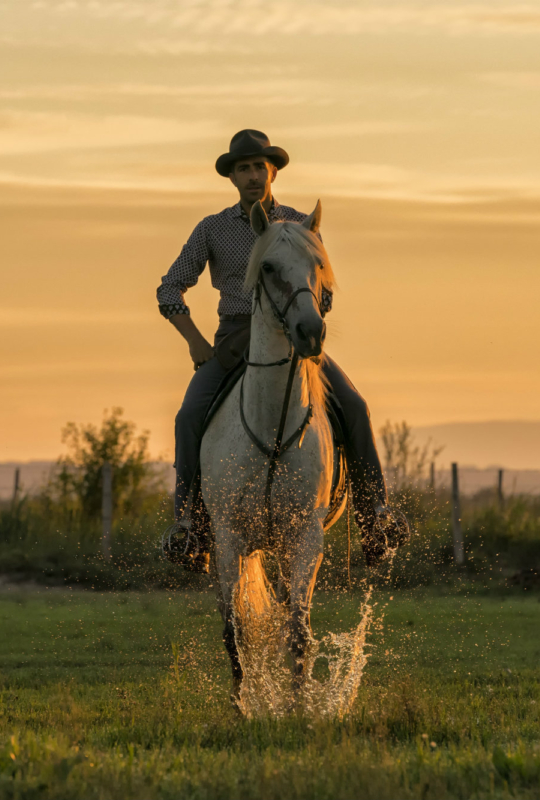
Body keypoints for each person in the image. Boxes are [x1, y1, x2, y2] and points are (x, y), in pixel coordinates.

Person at [157, 129, 409, 572]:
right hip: (235, 341)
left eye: (259, 167)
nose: (253, 176)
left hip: (295, 340)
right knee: (188, 416)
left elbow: (323, 289)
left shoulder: (300, 225)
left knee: (355, 406)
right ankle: (190, 526)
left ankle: (375, 519)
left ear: (272, 171)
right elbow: (169, 288)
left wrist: (307, 320)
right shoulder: (212, 229)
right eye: (243, 169)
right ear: (231, 178)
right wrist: (195, 341)